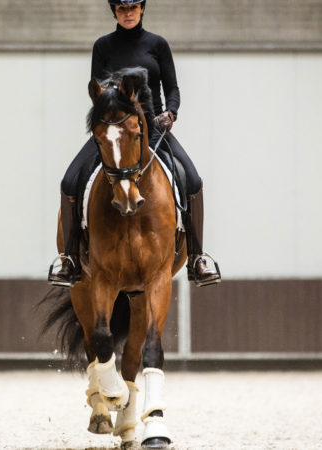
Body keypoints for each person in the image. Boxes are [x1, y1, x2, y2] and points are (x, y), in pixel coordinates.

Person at [48, 0, 221, 288]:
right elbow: (98, 90)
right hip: (114, 131)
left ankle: (197, 257)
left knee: (192, 180)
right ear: (114, 12)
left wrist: (171, 111)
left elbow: (172, 88)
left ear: (141, 9)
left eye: (132, 8)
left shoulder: (158, 44)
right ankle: (70, 258)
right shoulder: (103, 46)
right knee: (69, 181)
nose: (127, 14)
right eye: (121, 9)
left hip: (152, 128)